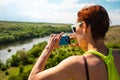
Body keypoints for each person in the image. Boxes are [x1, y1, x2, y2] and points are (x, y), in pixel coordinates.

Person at [28, 5, 120, 80]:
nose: (74, 33)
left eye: (74, 28)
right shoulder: (118, 55)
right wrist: (85, 45)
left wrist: (48, 48)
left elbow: (32, 78)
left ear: (83, 26)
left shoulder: (74, 64)